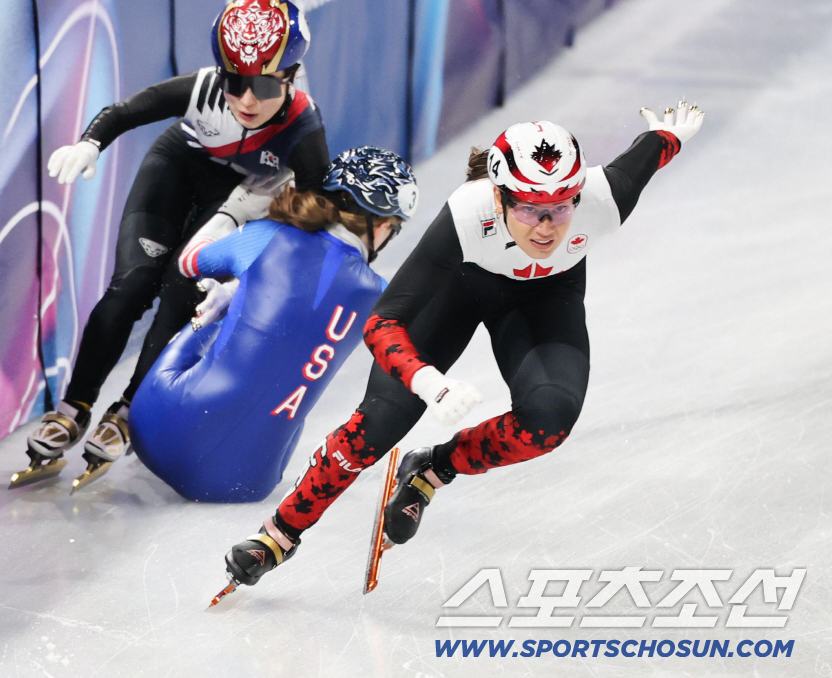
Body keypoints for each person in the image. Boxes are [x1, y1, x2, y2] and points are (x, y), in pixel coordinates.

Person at [221, 101, 706, 588]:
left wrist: (668, 135)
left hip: (545, 297)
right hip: (460, 286)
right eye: (529, 208)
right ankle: (280, 533)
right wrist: (427, 381)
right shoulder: (468, 214)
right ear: (498, 196)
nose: (546, 226)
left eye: (561, 207)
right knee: (381, 421)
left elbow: (647, 154)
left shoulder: (603, 200)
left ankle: (432, 469)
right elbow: (383, 321)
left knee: (549, 421)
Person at [12, 0, 330, 489]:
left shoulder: (304, 130)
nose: (247, 100)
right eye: (235, 82)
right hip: (177, 167)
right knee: (131, 287)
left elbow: (313, 225)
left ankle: (128, 410)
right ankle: (74, 406)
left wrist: (253, 273)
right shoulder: (204, 88)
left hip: (238, 199)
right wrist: (89, 143)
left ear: (291, 77)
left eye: (265, 85)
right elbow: (127, 110)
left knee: (182, 296)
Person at [130, 148, 418, 502]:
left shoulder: (265, 234)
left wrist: (233, 213)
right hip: (248, 480)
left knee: (216, 319)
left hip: (152, 431)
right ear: (383, 224)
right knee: (286, 379)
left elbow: (189, 263)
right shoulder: (381, 297)